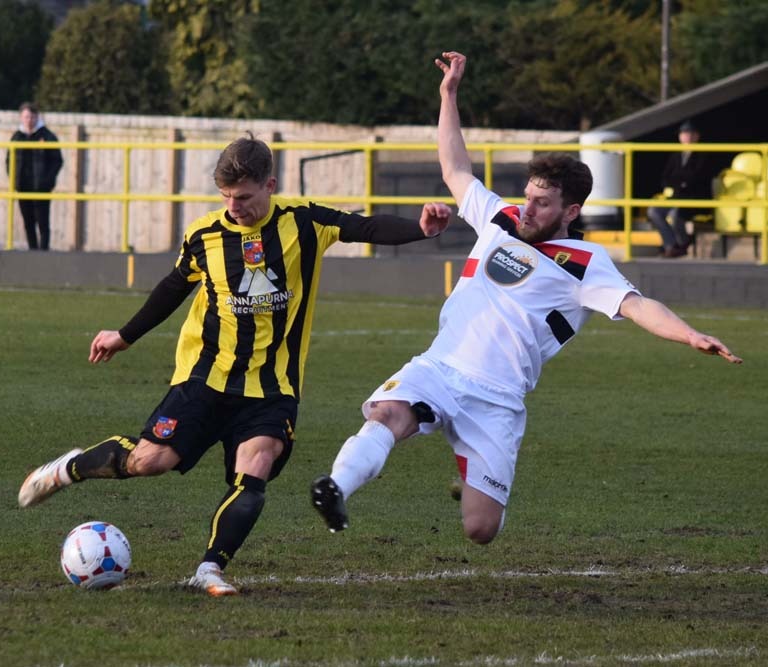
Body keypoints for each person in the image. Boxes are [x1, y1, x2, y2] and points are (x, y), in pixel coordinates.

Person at [310, 51, 742, 546]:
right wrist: (448, 94)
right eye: (527, 195)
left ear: (570, 210)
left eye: (541, 203)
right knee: (386, 415)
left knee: (480, 530)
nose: (527, 208)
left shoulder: (585, 261)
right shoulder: (500, 218)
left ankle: (469, 470)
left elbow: (637, 305)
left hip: (497, 399)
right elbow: (455, 168)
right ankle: (335, 488)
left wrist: (689, 335)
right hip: (440, 367)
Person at [18, 134, 453, 596]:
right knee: (151, 461)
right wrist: (124, 336)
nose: (234, 206)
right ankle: (69, 468)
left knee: (257, 463)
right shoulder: (205, 235)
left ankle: (210, 568)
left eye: (243, 197)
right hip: (206, 377)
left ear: (270, 184)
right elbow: (171, 288)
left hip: (273, 386)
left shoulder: (304, 222)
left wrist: (421, 229)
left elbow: (366, 228)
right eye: (226, 196)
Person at [647, 120, 711, 258]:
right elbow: (665, 177)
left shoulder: (703, 154)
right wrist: (679, 182)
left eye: (690, 133)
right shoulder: (676, 155)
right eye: (684, 134)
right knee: (653, 211)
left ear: (697, 136)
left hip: (694, 198)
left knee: (676, 214)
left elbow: (695, 178)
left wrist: (678, 182)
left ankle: (683, 243)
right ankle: (671, 245)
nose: (686, 137)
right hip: (676, 197)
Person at [7, 102, 63, 251]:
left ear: (37, 117)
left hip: (41, 188)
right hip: (23, 187)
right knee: (28, 222)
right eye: (26, 117)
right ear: (21, 118)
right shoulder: (17, 137)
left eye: (32, 117)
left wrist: (47, 182)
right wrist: (14, 181)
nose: (29, 120)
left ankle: (43, 252)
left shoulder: (47, 136)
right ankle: (32, 251)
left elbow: (57, 161)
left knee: (42, 222)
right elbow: (9, 160)